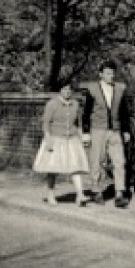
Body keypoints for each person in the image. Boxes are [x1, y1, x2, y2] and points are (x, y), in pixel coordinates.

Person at [82, 59, 131, 208]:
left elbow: (124, 111)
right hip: (98, 129)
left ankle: (119, 194)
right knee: (96, 161)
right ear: (101, 74)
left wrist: (126, 130)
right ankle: (96, 191)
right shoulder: (92, 89)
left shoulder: (119, 89)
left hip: (115, 130)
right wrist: (86, 132)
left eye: (113, 72)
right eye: (108, 73)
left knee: (119, 161)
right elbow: (86, 112)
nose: (111, 75)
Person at [33, 78, 89, 208]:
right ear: (60, 90)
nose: (67, 92)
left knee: (76, 167)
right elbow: (46, 123)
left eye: (70, 89)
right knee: (53, 168)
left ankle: (80, 195)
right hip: (56, 138)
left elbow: (79, 123)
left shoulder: (76, 104)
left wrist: (82, 136)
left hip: (72, 139)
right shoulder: (52, 104)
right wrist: (48, 140)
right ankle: (51, 194)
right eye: (64, 89)